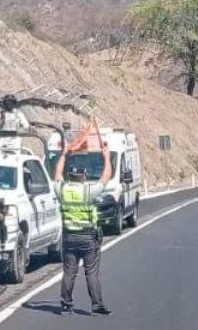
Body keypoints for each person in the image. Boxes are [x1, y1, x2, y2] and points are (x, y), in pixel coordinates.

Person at [54, 128, 114, 316]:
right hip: (88, 238)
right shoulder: (88, 191)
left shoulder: (63, 190)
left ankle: (65, 304)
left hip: (69, 237)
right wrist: (106, 157)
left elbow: (56, 175)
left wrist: (63, 155)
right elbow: (106, 177)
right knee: (91, 272)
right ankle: (96, 305)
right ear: (84, 177)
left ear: (71, 176)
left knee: (69, 272)